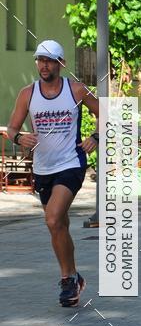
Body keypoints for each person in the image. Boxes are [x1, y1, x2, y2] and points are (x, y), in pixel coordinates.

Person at [7, 40, 99, 307]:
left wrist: (96, 136)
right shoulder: (28, 93)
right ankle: (74, 277)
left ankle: (66, 279)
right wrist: (19, 137)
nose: (44, 65)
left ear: (62, 63)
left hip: (71, 163)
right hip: (43, 168)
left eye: (49, 60)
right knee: (59, 226)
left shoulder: (76, 90)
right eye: (40, 60)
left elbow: (108, 115)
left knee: (53, 219)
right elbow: (13, 129)